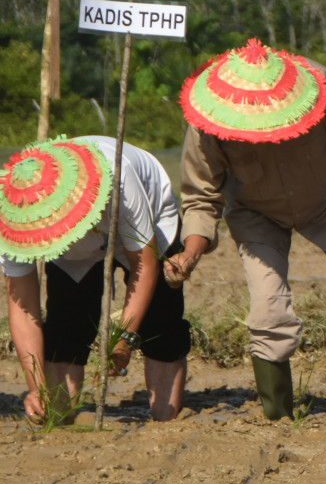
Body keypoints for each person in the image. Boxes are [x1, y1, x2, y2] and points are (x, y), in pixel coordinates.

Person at [163, 38, 326, 420]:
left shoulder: (318, 83)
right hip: (256, 212)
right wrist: (191, 252)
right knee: (269, 314)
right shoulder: (208, 118)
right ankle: (278, 417)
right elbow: (201, 196)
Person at [0, 136, 189, 422]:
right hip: (71, 245)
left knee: (159, 319)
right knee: (67, 320)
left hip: (148, 220)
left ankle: (165, 420)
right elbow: (23, 309)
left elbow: (144, 265)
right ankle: (58, 414)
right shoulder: (13, 223)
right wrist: (35, 387)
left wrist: (123, 339)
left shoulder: (119, 178)